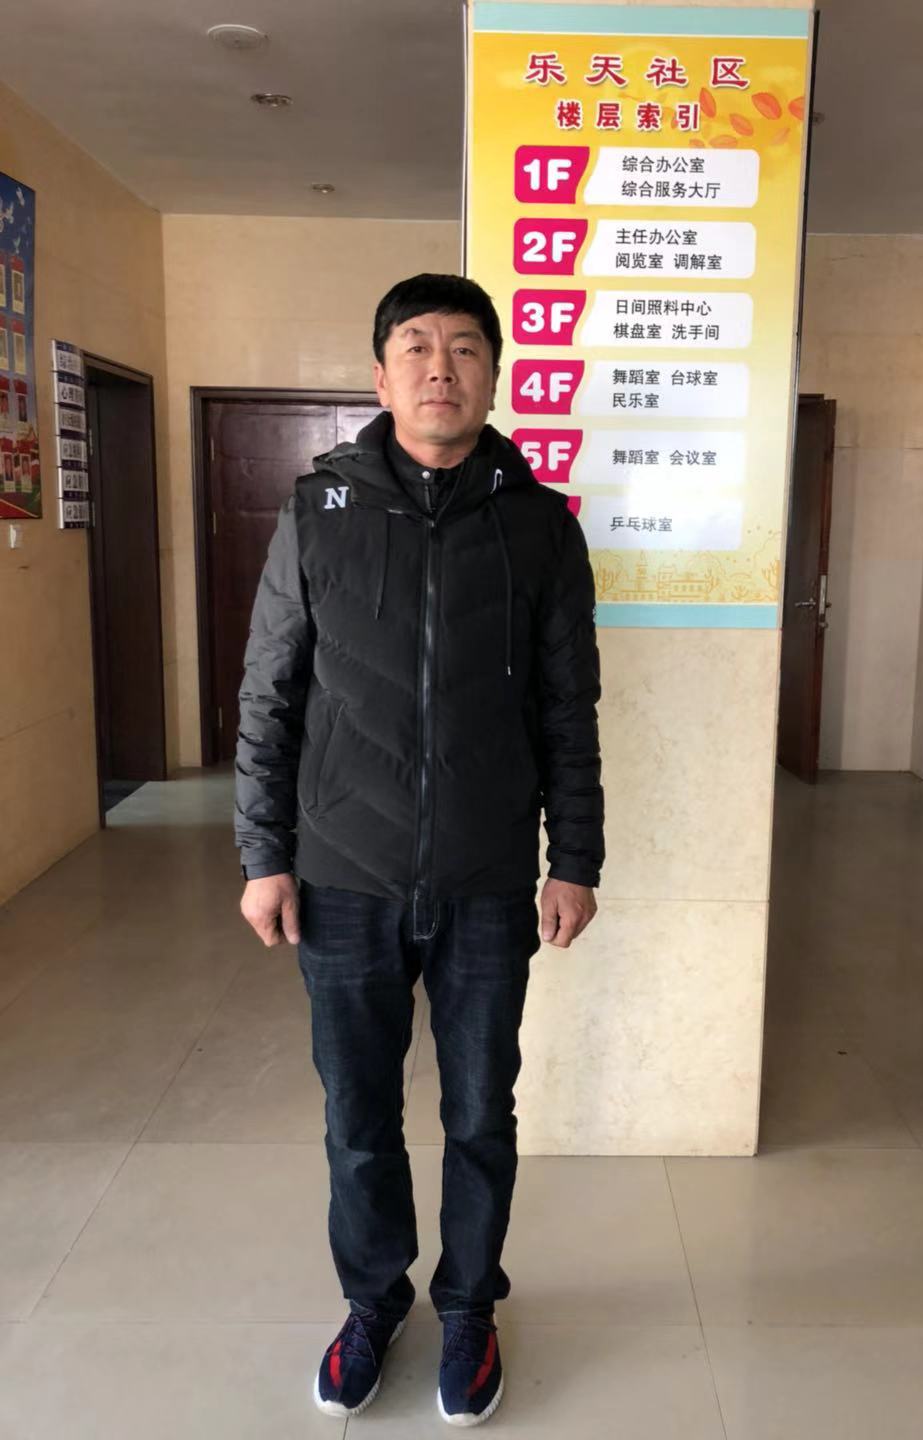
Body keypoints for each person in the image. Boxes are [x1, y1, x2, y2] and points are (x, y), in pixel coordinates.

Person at [235, 273, 604, 1426]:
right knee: (358, 1117)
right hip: (343, 874)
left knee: (480, 1114)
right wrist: (263, 852)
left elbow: (568, 708)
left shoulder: (540, 526)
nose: (440, 367)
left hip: (488, 880)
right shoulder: (318, 514)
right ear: (381, 377)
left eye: (464, 348)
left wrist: (575, 857)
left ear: (493, 373)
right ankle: (372, 1302)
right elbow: (270, 694)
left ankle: (469, 1307)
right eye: (416, 347)